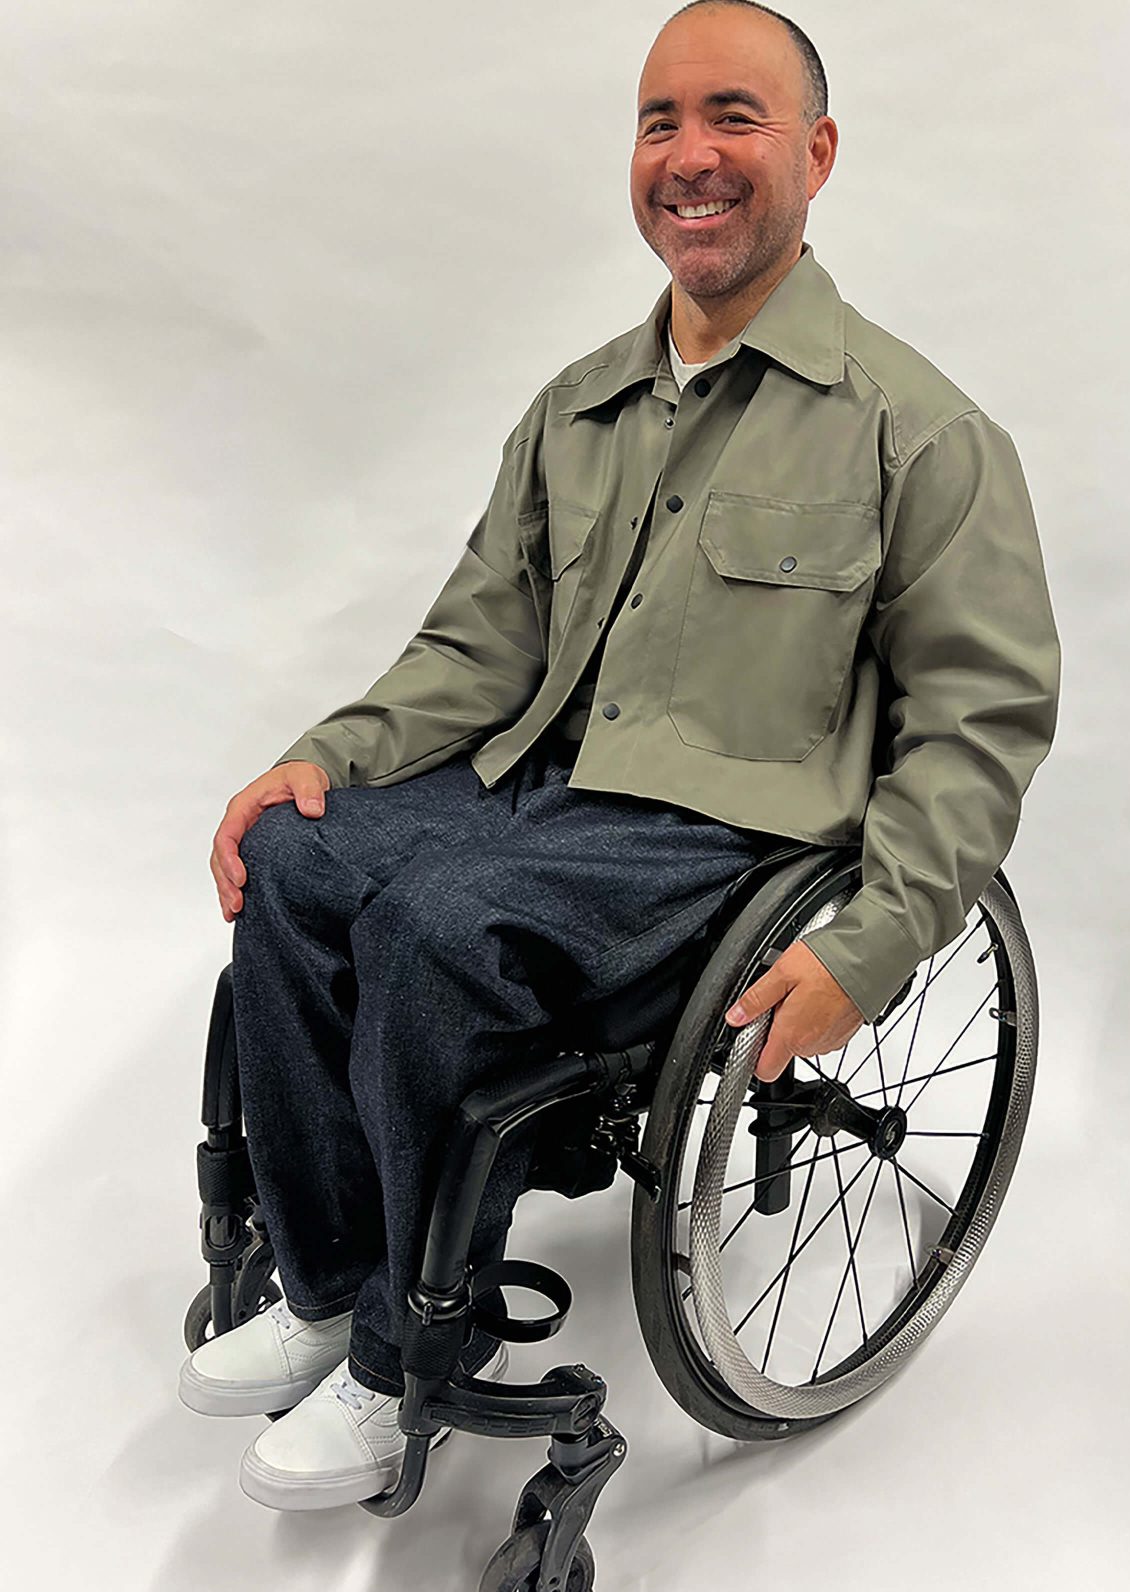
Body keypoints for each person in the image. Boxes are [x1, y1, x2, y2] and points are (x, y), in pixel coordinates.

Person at [178, 0, 1061, 1513]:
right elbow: (475, 648)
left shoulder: (919, 434)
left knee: (436, 931)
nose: (691, 154)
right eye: (662, 122)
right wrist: (327, 753)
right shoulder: (577, 409)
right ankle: (327, 1283)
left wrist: (874, 943)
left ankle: (405, 1353)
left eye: (735, 117)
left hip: (726, 839)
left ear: (817, 154)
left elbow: (979, 723)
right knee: (291, 855)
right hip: (539, 788)